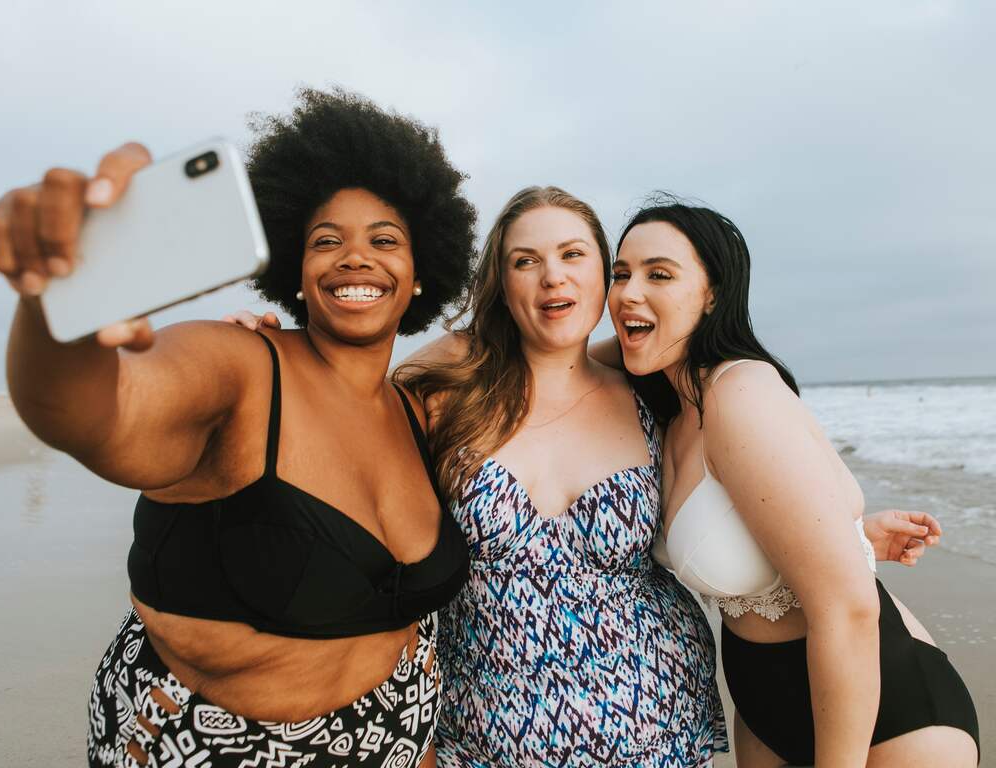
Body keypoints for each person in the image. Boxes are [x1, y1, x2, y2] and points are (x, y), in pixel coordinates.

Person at [232, 187, 943, 767]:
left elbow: (744, 485)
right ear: (500, 282)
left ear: (601, 276)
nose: (553, 277)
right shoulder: (444, 388)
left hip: (658, 728)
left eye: (574, 255)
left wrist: (845, 533)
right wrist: (274, 360)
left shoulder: (652, 390)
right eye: (526, 260)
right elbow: (337, 428)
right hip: (485, 734)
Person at [0, 89, 476, 768]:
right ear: (295, 273)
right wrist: (59, 297)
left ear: (420, 274)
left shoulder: (416, 412)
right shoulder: (241, 365)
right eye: (325, 240)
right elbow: (94, 414)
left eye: (384, 240)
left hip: (398, 738)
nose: (355, 257)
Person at [603, 195, 979, 766]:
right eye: (620, 275)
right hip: (764, 711)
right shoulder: (671, 410)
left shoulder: (740, 393)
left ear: (713, 294)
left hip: (886, 719)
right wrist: (852, 533)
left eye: (660, 274)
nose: (629, 292)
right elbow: (561, 358)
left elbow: (849, 608)